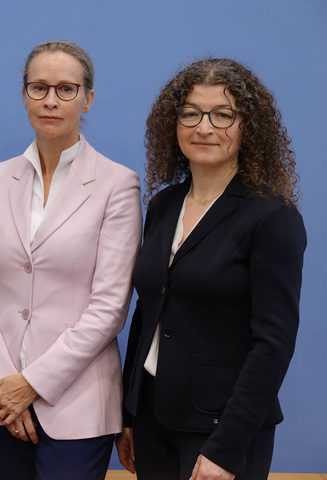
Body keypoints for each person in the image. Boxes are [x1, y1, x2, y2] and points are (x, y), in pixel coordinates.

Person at [116, 58, 307, 480]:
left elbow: (273, 344)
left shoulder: (271, 215)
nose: (204, 127)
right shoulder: (163, 205)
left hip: (222, 430)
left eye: (222, 115)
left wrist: (227, 448)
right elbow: (148, 313)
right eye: (191, 113)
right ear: (174, 123)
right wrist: (128, 413)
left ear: (247, 127)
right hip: (152, 418)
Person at [0, 40, 142, 480]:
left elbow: (110, 307)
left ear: (88, 99)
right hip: (1, 398)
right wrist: (6, 387)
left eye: (66, 89)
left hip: (78, 401)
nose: (50, 100)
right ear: (24, 95)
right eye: (39, 88)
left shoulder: (117, 185)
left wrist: (31, 385)